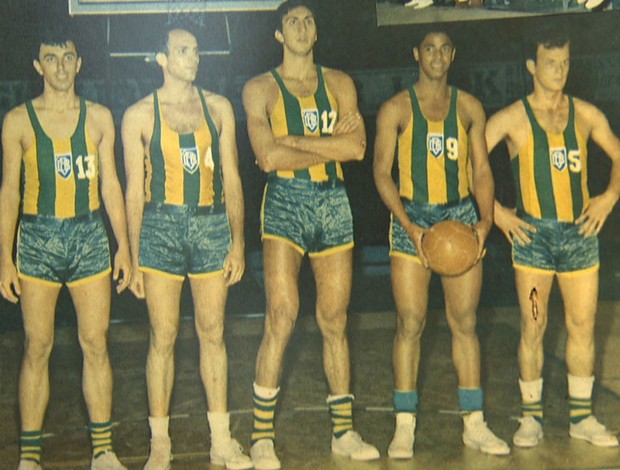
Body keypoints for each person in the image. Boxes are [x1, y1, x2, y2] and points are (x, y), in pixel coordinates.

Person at [242, 1, 380, 468]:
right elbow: (267, 159)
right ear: (278, 34)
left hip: (333, 202)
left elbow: (357, 149)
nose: (301, 28)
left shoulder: (340, 83)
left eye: (308, 20)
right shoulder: (259, 87)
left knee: (335, 320)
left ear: (316, 31)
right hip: (285, 202)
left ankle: (343, 431)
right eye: (292, 22)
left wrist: (293, 142)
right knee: (281, 315)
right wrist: (325, 147)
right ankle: (261, 437)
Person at [373, 30, 510, 458]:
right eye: (428, 48)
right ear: (416, 53)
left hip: (461, 216)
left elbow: (482, 169)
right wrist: (409, 226)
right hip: (413, 218)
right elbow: (381, 173)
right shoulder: (396, 108)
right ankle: (404, 425)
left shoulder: (469, 106)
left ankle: (474, 423)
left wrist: (485, 221)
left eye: (444, 48)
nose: (436, 55)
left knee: (464, 322)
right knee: (410, 322)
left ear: (453, 54)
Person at [0, 28, 131, 470]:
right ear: (38, 66)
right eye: (50, 58)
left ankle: (104, 451)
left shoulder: (98, 118)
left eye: (67, 57)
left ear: (79, 63)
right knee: (37, 346)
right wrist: (4, 257)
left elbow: (111, 183)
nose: (59, 66)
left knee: (96, 343)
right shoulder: (18, 120)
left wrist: (124, 247)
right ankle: (30, 458)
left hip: (89, 236)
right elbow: (9, 194)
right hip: (38, 238)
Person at [121, 26, 251, 470]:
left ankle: (221, 440)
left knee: (213, 333)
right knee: (163, 336)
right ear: (162, 59)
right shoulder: (138, 115)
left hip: (211, 223)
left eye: (196, 50)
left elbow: (232, 177)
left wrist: (238, 240)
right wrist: (135, 256)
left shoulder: (218, 108)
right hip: (160, 226)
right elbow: (134, 193)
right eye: (182, 51)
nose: (193, 58)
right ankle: (160, 443)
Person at [485, 29, 620, 448]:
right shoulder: (510, 118)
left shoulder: (586, 114)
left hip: (580, 234)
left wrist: (609, 197)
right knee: (534, 324)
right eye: (550, 63)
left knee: (583, 325)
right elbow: (469, 169)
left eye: (565, 63)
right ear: (531, 66)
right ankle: (531, 418)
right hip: (534, 239)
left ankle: (582, 418)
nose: (559, 71)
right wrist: (496, 215)